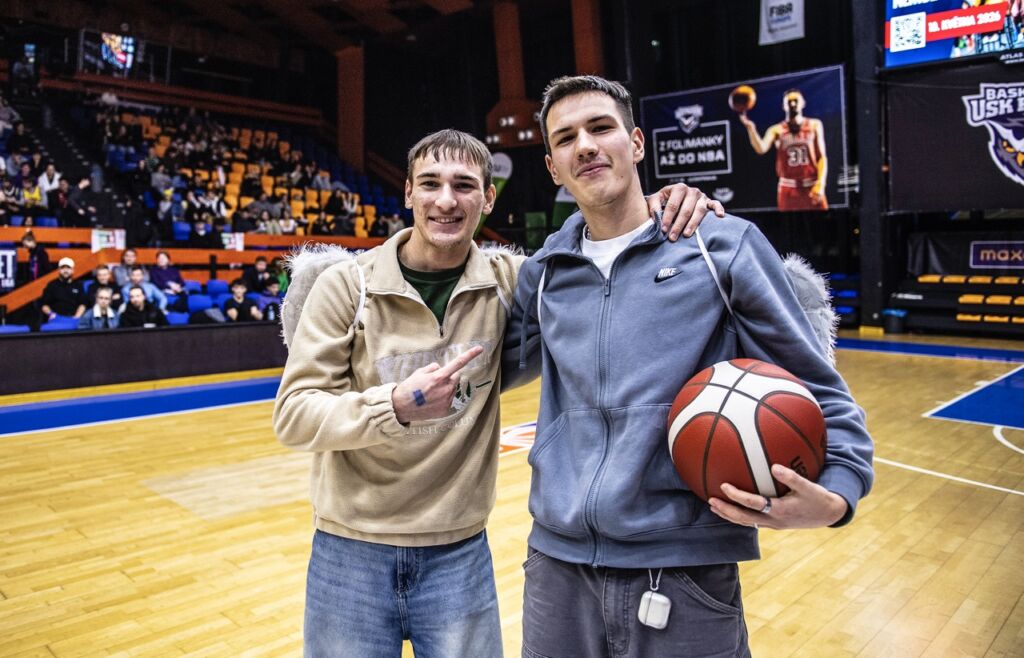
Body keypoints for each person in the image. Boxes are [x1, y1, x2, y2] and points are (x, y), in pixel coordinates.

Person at [273, 128, 722, 657]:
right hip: (349, 550)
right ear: (409, 193)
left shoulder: (512, 280)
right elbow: (294, 415)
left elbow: (602, 263)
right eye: (431, 183)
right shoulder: (348, 285)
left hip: (459, 554)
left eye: (464, 185)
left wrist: (656, 206)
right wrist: (396, 405)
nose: (446, 200)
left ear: (488, 198)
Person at [503, 75, 874, 658]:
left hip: (684, 569)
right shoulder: (544, 274)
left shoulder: (719, 245)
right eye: (566, 138)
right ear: (553, 167)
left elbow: (814, 382)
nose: (586, 146)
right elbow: (482, 364)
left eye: (601, 128)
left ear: (636, 143)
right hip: (557, 566)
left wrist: (840, 492)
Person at [739, 89, 828, 211]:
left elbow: (821, 157)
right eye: (789, 101)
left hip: (811, 185)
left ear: (803, 103)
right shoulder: (776, 129)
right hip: (788, 187)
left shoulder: (815, 125)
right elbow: (761, 148)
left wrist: (821, 183)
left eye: (795, 100)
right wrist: (751, 128)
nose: (793, 104)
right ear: (784, 106)